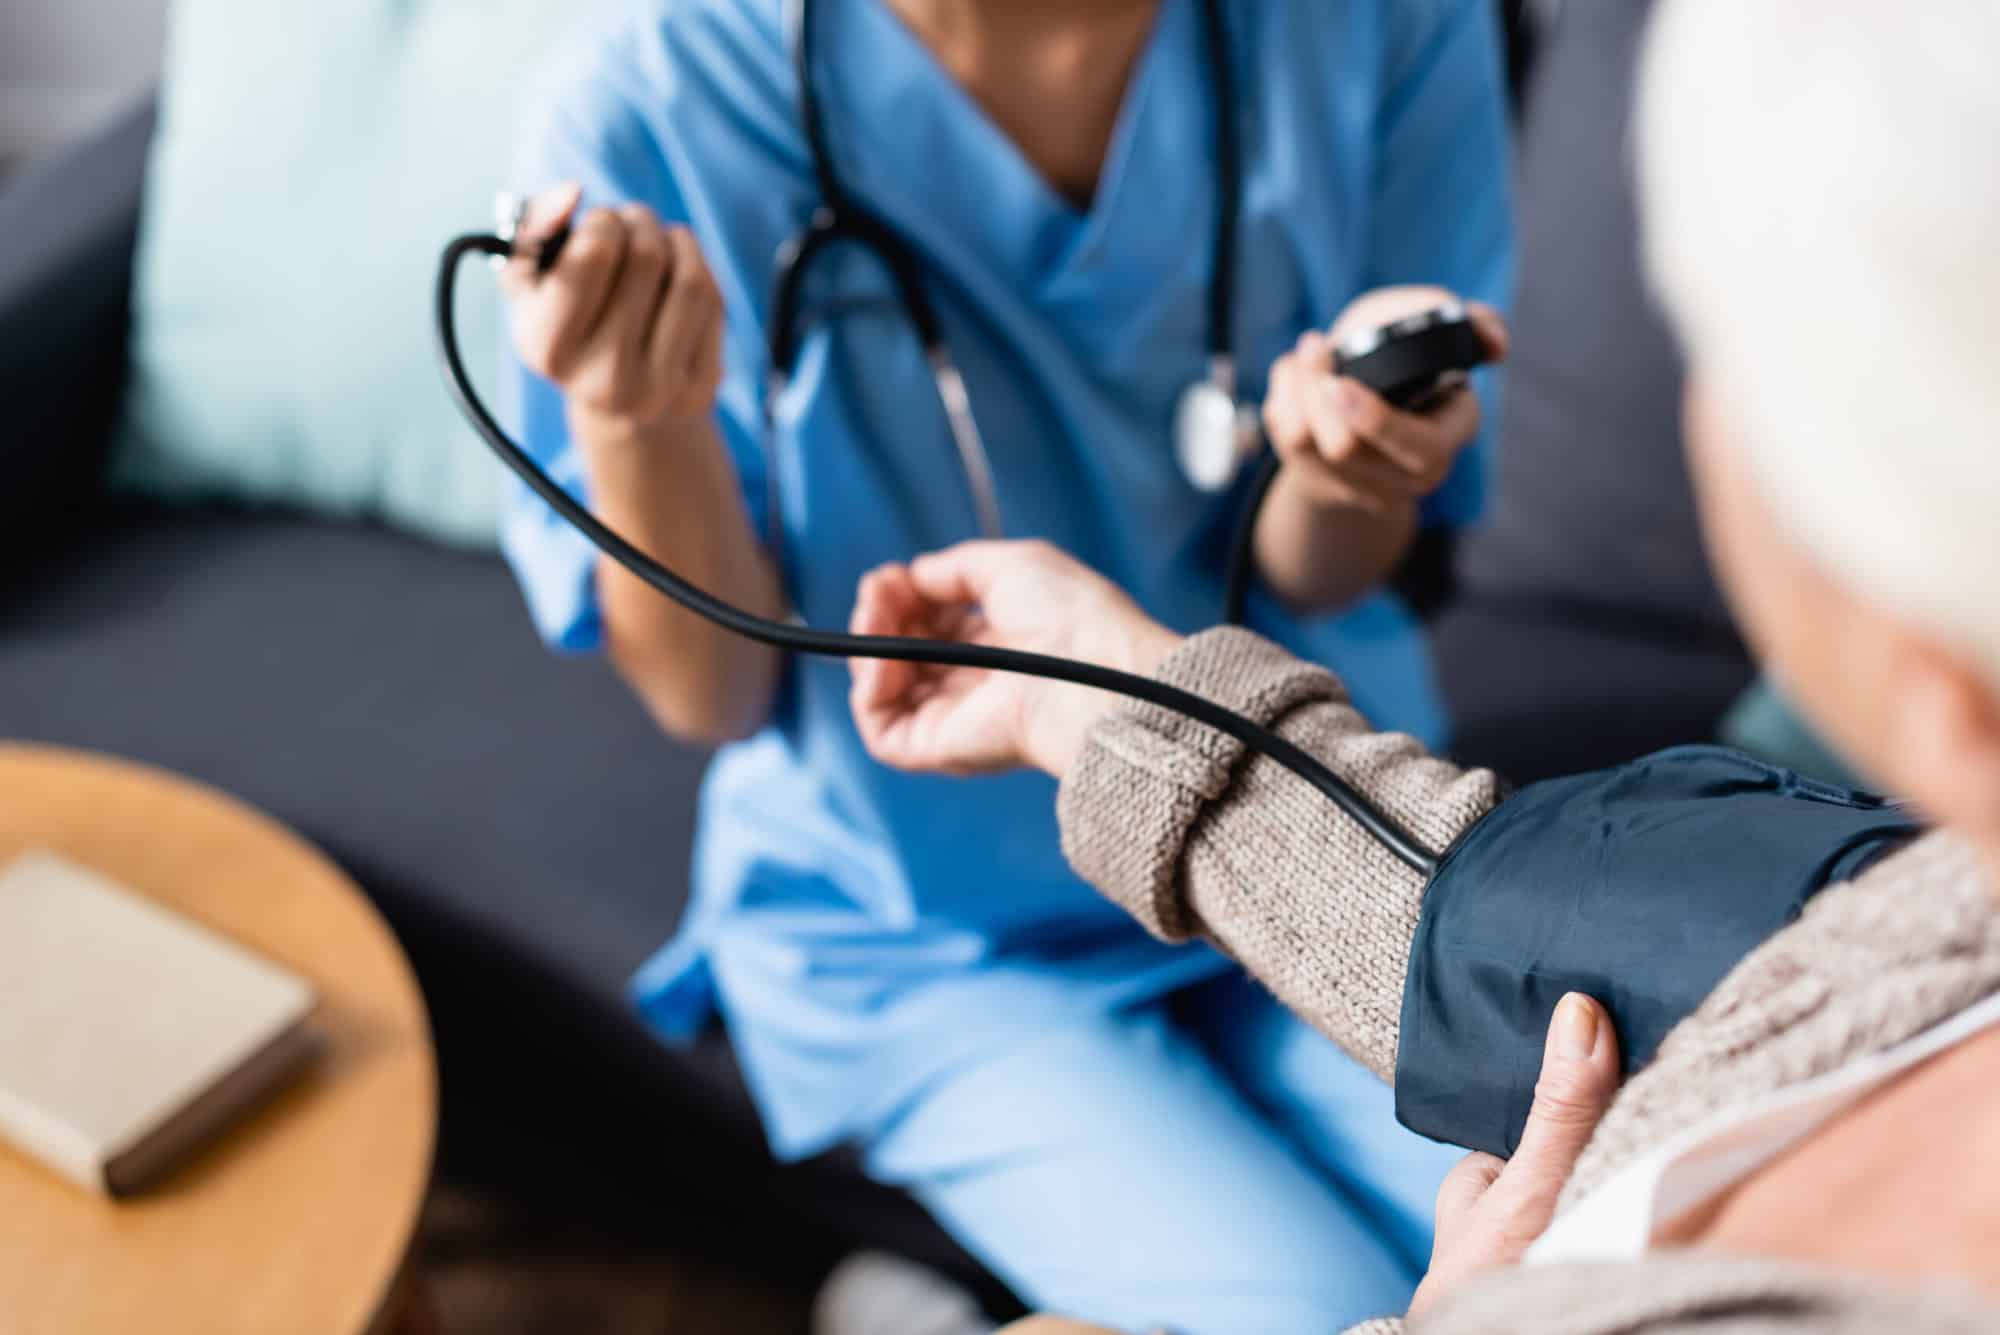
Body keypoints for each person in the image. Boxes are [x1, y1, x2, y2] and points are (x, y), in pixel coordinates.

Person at [846, 0, 2000, 1330]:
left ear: (1936, 677)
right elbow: (1565, 934)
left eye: (1734, 368)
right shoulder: (1927, 917)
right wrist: (1103, 689)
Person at [495, 1, 1512, 1329]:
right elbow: (711, 691)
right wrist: (636, 417)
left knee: (1582, 1254)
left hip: (1304, 826)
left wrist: (1349, 462)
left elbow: (1322, 573)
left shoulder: (1381, 24)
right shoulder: (653, 102)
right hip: (940, 920)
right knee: (1311, 1311)